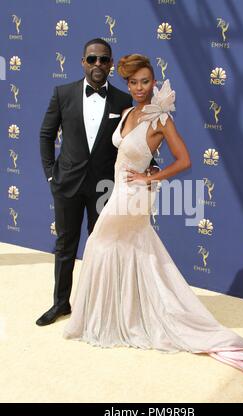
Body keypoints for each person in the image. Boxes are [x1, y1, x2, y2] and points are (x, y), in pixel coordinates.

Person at [63, 54, 243, 389]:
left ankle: (110, 320)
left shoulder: (161, 119)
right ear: (127, 84)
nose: (140, 87)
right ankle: (119, 317)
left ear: (154, 81)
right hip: (120, 189)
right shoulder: (129, 112)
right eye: (133, 82)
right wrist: (146, 172)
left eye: (145, 81)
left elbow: (185, 160)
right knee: (126, 249)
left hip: (135, 194)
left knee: (102, 243)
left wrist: (150, 179)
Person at [37, 40, 158, 327]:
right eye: (92, 59)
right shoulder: (62, 93)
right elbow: (46, 135)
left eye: (104, 60)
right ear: (83, 62)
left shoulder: (122, 100)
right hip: (67, 183)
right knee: (66, 245)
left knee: (103, 246)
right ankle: (61, 303)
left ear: (111, 64)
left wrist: (149, 165)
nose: (97, 65)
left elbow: (133, 141)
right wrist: (51, 174)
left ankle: (99, 306)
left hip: (106, 186)